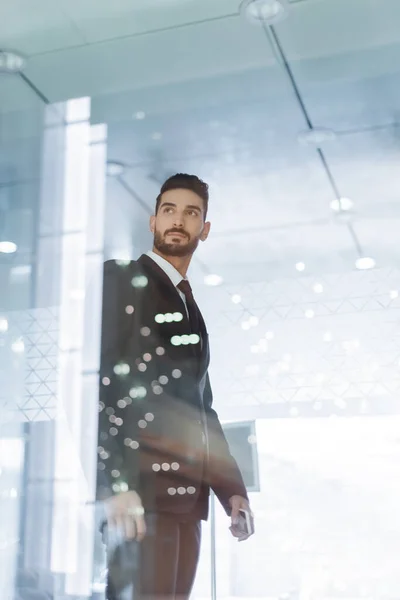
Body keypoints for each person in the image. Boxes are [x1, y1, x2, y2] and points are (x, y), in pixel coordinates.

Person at [97, 173, 253, 599]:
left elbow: (203, 411)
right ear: (153, 222)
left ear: (204, 229)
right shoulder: (123, 279)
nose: (178, 220)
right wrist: (114, 485)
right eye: (169, 210)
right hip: (141, 497)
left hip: (188, 502)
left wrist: (232, 491)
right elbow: (102, 385)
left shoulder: (189, 305)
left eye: (191, 212)